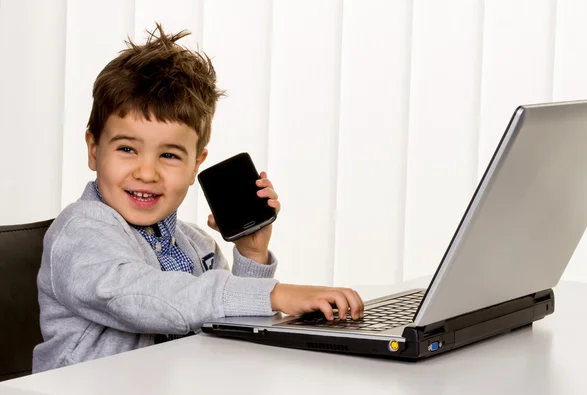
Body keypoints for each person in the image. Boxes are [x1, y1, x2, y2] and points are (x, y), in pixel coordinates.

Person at [32, 24, 364, 373]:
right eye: (127, 148)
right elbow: (143, 297)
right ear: (94, 149)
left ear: (196, 165)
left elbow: (229, 323)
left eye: (170, 155)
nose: (147, 172)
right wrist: (275, 295)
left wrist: (252, 254)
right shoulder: (80, 233)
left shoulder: (196, 245)